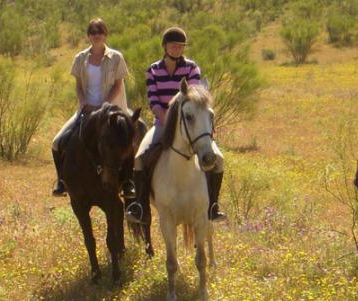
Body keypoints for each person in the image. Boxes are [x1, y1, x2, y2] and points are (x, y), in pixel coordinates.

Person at [125, 27, 227, 225]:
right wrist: (168, 121)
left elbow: (196, 97)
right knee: (138, 158)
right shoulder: (153, 70)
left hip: (191, 124)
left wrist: (182, 122)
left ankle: (213, 206)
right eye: (173, 45)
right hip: (163, 122)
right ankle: (140, 206)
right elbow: (154, 102)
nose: (177, 49)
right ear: (165, 47)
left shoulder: (191, 68)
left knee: (219, 159)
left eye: (180, 46)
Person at [51, 18, 130, 197]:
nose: (96, 35)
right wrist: (84, 103)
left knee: (130, 141)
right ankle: (62, 181)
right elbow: (78, 86)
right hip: (86, 110)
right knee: (57, 142)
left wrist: (104, 105)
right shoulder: (80, 58)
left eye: (100, 32)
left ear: (105, 34)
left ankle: (129, 183)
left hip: (113, 112)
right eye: (93, 32)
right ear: (88, 36)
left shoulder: (116, 57)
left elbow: (118, 86)